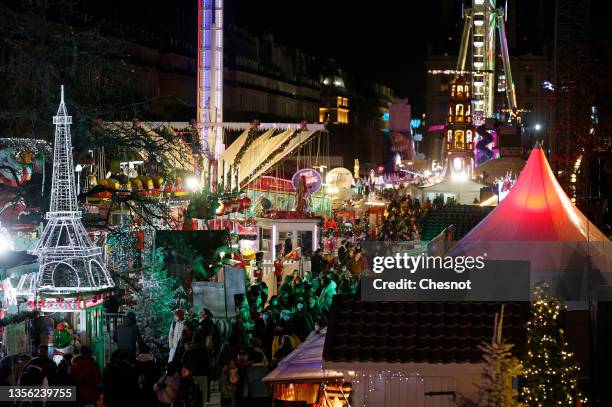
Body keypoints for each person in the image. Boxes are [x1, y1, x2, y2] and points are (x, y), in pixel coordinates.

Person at [181, 333, 210, 406]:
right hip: (202, 375)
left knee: (192, 397)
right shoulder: (204, 349)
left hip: (191, 376)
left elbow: (183, 361)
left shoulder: (189, 348)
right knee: (201, 398)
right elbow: (207, 364)